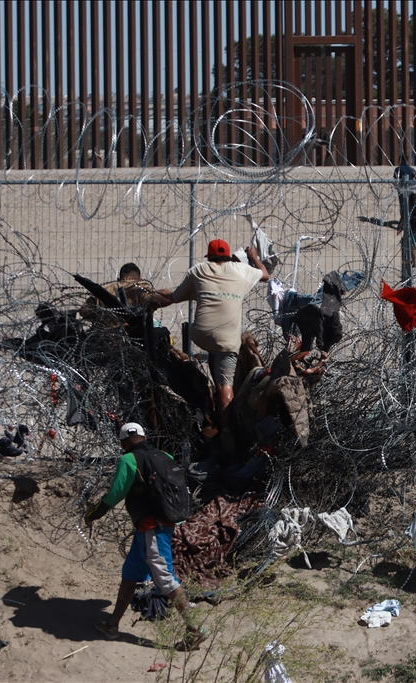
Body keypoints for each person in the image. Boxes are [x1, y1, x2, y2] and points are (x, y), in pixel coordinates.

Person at [86, 423, 206, 649]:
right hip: (159, 525)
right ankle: (112, 624)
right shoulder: (164, 455)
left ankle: (194, 631)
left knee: (165, 578)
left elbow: (115, 495)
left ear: (123, 443)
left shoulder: (128, 460)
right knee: (130, 574)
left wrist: (93, 514)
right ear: (144, 436)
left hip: (153, 528)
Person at [154, 239, 270, 422]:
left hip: (201, 334)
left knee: (215, 351)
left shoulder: (198, 270)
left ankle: (213, 399)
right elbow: (265, 275)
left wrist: (155, 296)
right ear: (229, 256)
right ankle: (227, 431)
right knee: (226, 386)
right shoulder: (242, 270)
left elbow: (174, 297)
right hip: (227, 339)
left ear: (209, 256)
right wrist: (254, 257)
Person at [393, 155, 416, 232]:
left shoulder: (398, 169)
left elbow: (395, 180)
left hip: (402, 190)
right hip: (410, 189)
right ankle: (408, 222)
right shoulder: (411, 169)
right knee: (410, 206)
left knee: (403, 206)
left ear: (402, 160)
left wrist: (397, 187)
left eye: (399, 160)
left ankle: (402, 224)